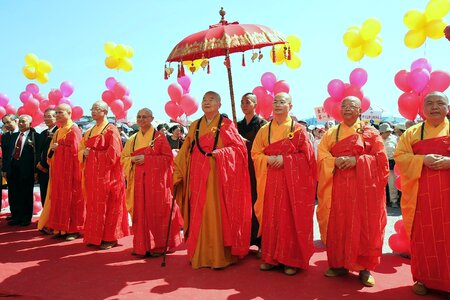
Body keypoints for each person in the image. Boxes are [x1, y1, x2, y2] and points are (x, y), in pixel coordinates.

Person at [173, 91, 252, 269]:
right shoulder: (195, 125)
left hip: (219, 175)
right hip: (197, 175)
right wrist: (177, 171)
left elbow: (239, 150)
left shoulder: (226, 124)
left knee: (217, 212)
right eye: (204, 99)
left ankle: (220, 256)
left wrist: (223, 153)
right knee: (198, 212)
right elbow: (186, 149)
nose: (207, 102)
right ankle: (200, 254)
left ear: (219, 104)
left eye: (211, 100)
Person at [317, 96, 389, 287]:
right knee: (339, 224)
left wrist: (357, 161)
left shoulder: (370, 133)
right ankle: (339, 264)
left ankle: (364, 268)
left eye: (353, 106)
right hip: (338, 186)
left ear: (360, 111)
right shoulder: (332, 133)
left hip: (363, 189)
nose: (348, 109)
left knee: (364, 225)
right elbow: (322, 155)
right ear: (339, 110)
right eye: (344, 106)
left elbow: (381, 161)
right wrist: (335, 161)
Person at [251, 92, 316, 276]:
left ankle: (290, 260)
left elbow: (308, 158)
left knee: (290, 218)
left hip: (292, 185)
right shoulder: (265, 130)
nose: (278, 105)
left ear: (290, 106)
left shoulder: (298, 130)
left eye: (282, 102)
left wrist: (285, 159)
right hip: (271, 181)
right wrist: (268, 159)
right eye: (275, 102)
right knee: (272, 217)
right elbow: (256, 153)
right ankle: (270, 257)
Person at [394, 91, 450, 296]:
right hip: (421, 194)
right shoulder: (412, 133)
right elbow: (400, 156)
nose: (434, 107)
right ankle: (422, 278)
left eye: (440, 103)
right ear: (423, 108)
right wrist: (422, 160)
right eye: (430, 103)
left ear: (448, 107)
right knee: (423, 235)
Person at [121, 108, 182, 257]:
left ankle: (160, 246)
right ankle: (142, 245)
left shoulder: (159, 137)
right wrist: (132, 160)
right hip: (138, 182)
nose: (141, 119)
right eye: (139, 116)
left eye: (145, 117)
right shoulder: (132, 139)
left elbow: (168, 159)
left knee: (157, 213)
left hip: (155, 184)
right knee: (140, 213)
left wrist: (147, 160)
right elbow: (123, 158)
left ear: (152, 118)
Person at [79, 101, 129, 250]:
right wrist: (84, 153)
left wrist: (92, 153)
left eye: (97, 109)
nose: (93, 111)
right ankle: (94, 236)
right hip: (93, 175)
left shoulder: (111, 129)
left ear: (105, 112)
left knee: (110, 205)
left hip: (108, 176)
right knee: (94, 205)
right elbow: (81, 149)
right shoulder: (90, 131)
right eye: (92, 108)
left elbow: (115, 154)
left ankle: (110, 238)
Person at [42, 104, 84, 240]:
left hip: (71, 172)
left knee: (71, 200)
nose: (58, 115)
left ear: (69, 113)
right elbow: (51, 149)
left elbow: (77, 152)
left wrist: (59, 148)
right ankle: (60, 228)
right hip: (59, 171)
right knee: (58, 198)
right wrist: (54, 149)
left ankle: (73, 230)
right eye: (57, 112)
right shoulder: (59, 131)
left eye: (60, 112)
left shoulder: (74, 130)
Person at [237, 92, 267, 256]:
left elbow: (264, 147)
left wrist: (246, 142)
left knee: (258, 201)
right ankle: (244, 239)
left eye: (247, 102)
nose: (244, 105)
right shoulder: (238, 124)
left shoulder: (262, 124)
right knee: (244, 201)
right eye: (242, 102)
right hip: (241, 169)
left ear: (255, 104)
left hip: (257, 168)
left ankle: (262, 240)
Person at [2, 115, 39, 226]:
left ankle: (26, 218)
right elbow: (8, 153)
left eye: (24, 122)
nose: (21, 124)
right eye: (20, 122)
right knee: (14, 192)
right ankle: (16, 216)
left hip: (27, 169)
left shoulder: (35, 136)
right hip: (13, 168)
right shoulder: (13, 136)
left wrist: (35, 171)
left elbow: (36, 154)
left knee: (26, 193)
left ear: (30, 123)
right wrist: (5, 168)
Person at [36, 108, 58, 208]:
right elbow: (38, 151)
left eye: (49, 116)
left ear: (56, 117)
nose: (46, 119)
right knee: (44, 193)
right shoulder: (42, 133)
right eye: (45, 116)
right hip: (41, 169)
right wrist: (38, 165)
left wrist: (45, 165)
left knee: (53, 195)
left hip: (52, 169)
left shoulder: (59, 131)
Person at [1, 114, 18, 220]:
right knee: (12, 192)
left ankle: (24, 216)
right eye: (4, 123)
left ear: (15, 121)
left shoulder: (22, 134)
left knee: (22, 192)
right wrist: (4, 169)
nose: (6, 125)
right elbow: (5, 154)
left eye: (8, 122)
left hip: (21, 169)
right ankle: (14, 213)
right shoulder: (6, 136)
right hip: (9, 170)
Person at [379, 123, 399, 208]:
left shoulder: (395, 139)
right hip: (379, 163)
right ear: (382, 132)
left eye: (389, 131)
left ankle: (393, 200)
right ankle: (381, 201)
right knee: (380, 183)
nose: (389, 133)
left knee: (392, 183)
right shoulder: (377, 139)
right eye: (387, 132)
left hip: (391, 163)